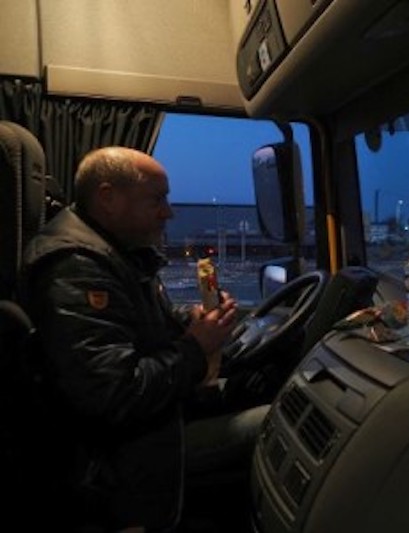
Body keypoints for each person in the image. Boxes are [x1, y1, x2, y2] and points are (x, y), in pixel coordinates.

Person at [19, 146, 269, 531]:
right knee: (274, 420)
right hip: (119, 462)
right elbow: (112, 393)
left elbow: (140, 328)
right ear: (108, 198)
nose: (168, 212)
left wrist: (196, 321)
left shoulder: (118, 254)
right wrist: (196, 346)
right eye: (157, 199)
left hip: (148, 426)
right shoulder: (75, 267)